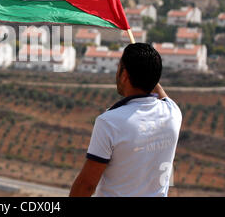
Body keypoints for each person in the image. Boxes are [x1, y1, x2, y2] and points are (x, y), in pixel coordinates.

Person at [70, 43, 182, 197]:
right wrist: (147, 70)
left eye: (119, 67)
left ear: (124, 75)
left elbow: (87, 185)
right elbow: (161, 93)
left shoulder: (109, 122)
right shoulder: (173, 113)